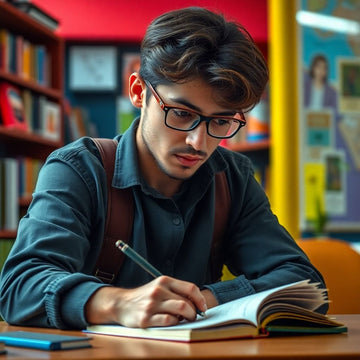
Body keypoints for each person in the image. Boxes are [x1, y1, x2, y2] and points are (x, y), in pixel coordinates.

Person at [0, 7, 327, 330]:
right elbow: (18, 288)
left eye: (222, 121)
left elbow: (306, 283)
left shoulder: (233, 178)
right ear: (139, 92)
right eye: (182, 113)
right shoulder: (78, 169)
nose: (198, 142)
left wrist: (205, 299)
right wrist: (117, 303)